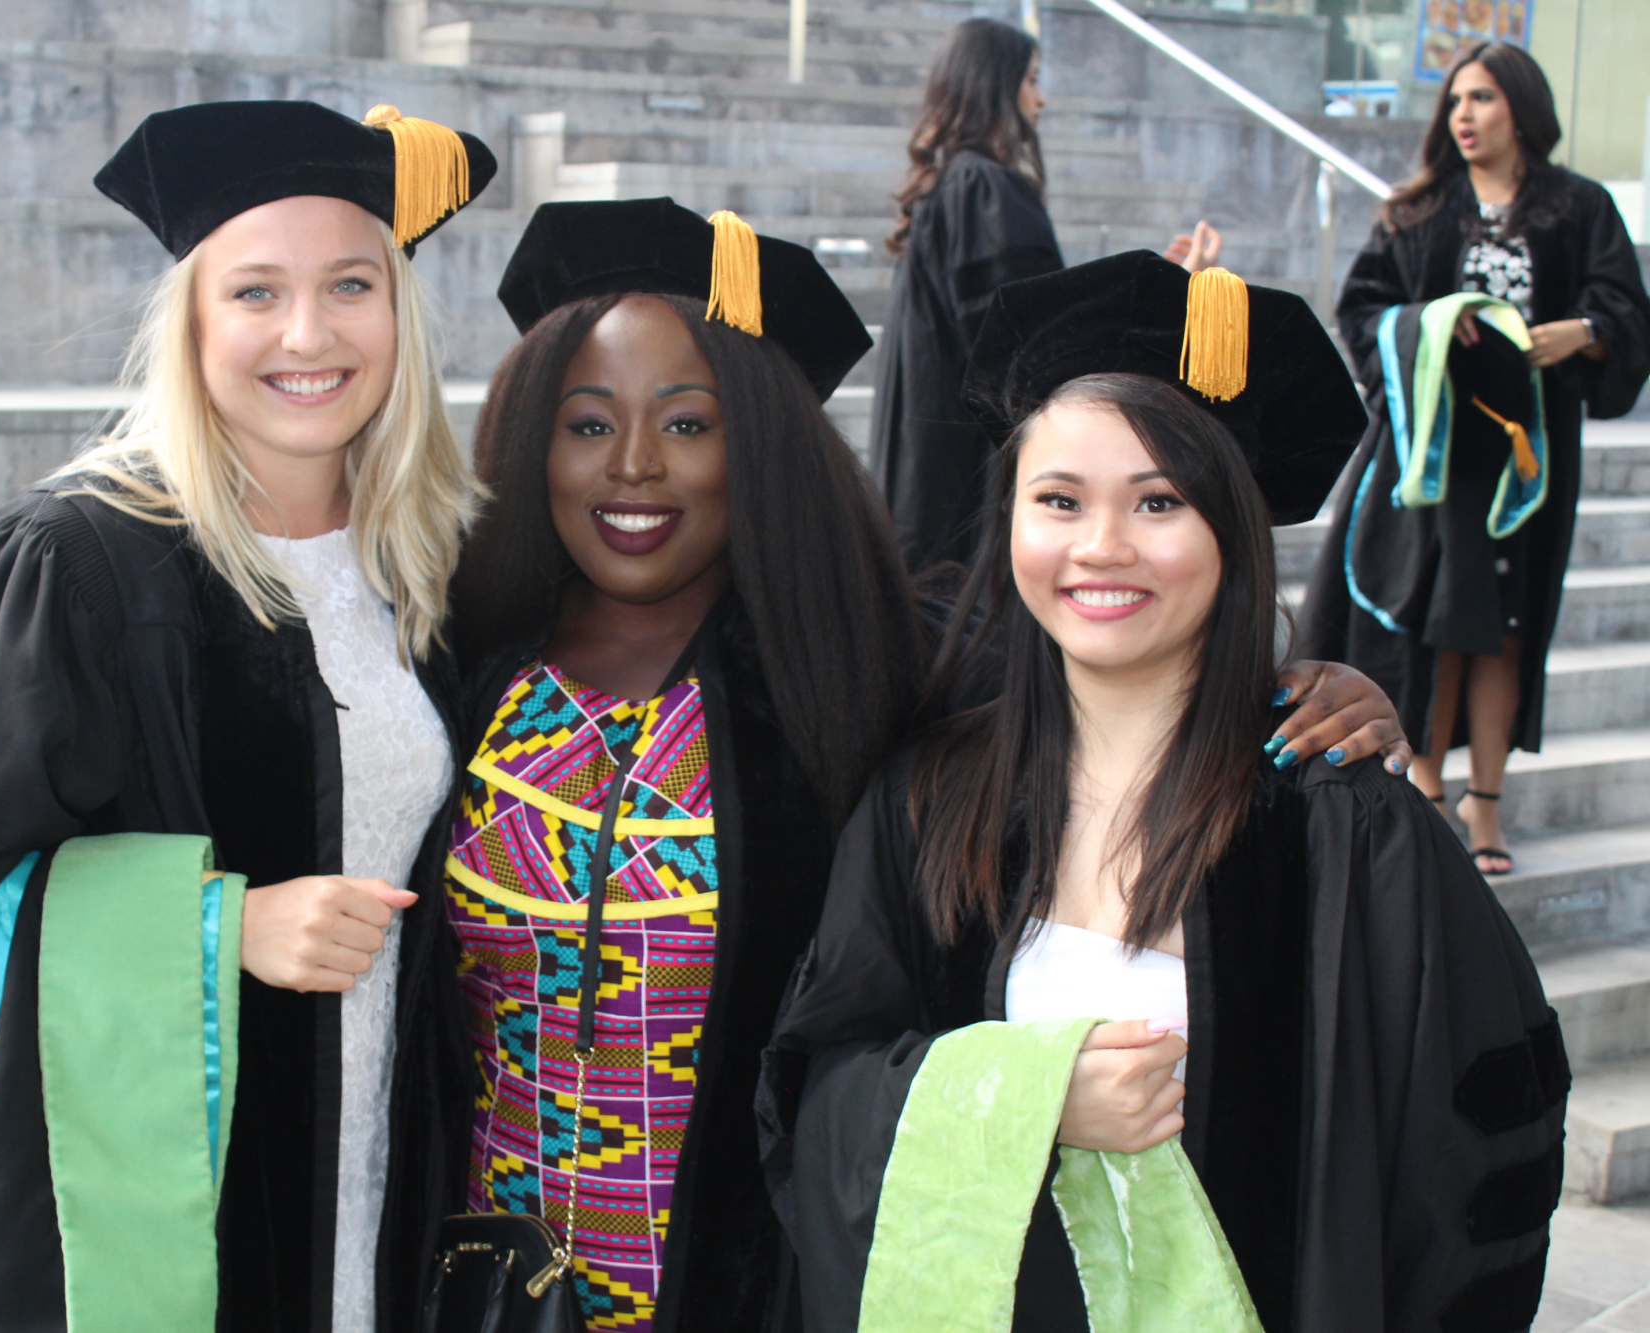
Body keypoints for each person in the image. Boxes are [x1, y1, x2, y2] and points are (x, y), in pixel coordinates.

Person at [378, 205, 1413, 1333]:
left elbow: (1101, 661)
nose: (633, 465)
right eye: (586, 425)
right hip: (477, 1278)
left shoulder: (869, 672)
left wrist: (1298, 683)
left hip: (758, 1277)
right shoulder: (450, 675)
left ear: (758, 441)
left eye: (688, 423)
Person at [766, 252, 1565, 1333]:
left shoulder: (1341, 825)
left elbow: (1463, 1173)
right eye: (1058, 499)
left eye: (1158, 500)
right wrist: (1026, 1105)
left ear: (1232, 533)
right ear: (1009, 518)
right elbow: (819, 1093)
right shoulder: (931, 797)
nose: (1100, 546)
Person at [0, 100, 494, 1333]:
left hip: (377, 1167)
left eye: (351, 284)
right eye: (253, 292)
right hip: (140, 1188)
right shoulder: (70, 564)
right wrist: (211, 924)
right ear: (188, 319)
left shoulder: (429, 558)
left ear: (398, 311)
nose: (308, 333)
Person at [1298, 42, 1650, 875]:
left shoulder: (1579, 206)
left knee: (1506, 631)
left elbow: (1623, 306)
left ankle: (1483, 803)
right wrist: (1429, 320)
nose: (1463, 114)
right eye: (1456, 99)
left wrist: (1584, 331)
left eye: (1482, 98)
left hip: (1528, 460)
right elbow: (1363, 312)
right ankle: (1422, 788)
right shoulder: (1418, 209)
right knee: (1437, 623)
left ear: (1521, 109)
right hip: (1436, 456)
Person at [874, 16, 1223, 572]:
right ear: (997, 86)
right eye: (1031, 79)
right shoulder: (984, 188)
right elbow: (1036, 342)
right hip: (968, 477)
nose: (1041, 98)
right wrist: (1169, 293)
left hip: (930, 472)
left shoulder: (950, 186)